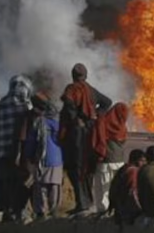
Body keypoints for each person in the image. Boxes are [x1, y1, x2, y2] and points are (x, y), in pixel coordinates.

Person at [60, 63, 113, 215]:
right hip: (89, 133)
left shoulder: (71, 89)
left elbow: (69, 109)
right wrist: (95, 115)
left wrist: (77, 120)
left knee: (75, 168)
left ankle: (82, 203)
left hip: (75, 136)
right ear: (85, 75)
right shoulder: (90, 90)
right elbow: (107, 102)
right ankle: (87, 202)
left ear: (73, 75)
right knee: (87, 168)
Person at [0, 75, 33, 222]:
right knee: (20, 182)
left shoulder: (0, 104)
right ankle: (19, 211)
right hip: (17, 153)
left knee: (3, 182)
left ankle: (5, 211)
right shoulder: (25, 104)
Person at [24, 92, 64, 219]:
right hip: (57, 160)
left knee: (41, 186)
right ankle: (54, 210)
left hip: (42, 159)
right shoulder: (60, 124)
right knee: (55, 186)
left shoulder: (39, 122)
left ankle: (41, 211)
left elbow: (31, 141)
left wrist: (28, 156)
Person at [92, 102, 130, 215]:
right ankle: (115, 210)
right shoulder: (123, 128)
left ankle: (103, 211)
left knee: (103, 188)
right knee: (117, 187)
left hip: (105, 161)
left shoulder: (103, 123)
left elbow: (97, 141)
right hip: (119, 162)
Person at [110, 149, 147, 226]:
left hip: (119, 207)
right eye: (142, 161)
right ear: (135, 160)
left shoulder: (124, 168)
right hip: (125, 210)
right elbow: (132, 193)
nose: (144, 163)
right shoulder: (133, 171)